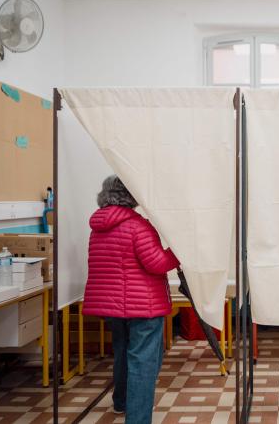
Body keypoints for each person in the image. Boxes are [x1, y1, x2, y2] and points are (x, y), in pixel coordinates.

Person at [82, 175, 179, 423]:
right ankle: (137, 419)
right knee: (144, 362)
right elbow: (157, 264)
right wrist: (177, 253)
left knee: (123, 352)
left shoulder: (98, 228)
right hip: (143, 306)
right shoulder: (137, 226)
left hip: (112, 306)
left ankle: (121, 402)